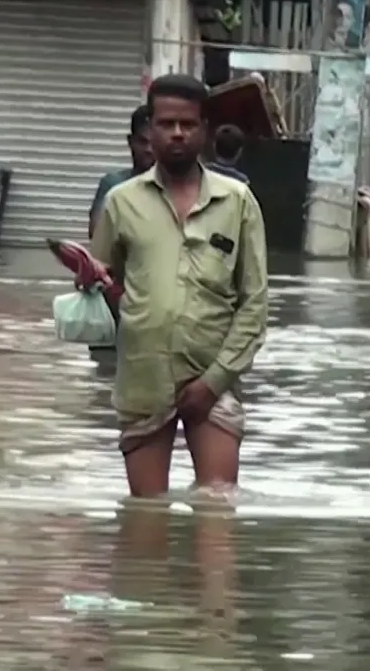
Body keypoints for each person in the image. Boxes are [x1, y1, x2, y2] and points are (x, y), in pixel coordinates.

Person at [88, 74, 269, 497]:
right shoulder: (121, 202)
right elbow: (104, 280)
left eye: (187, 124)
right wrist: (103, 293)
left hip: (214, 378)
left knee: (217, 509)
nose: (177, 133)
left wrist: (214, 380)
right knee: (146, 516)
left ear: (204, 130)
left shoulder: (237, 202)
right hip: (144, 379)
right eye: (166, 124)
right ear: (150, 130)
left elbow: (255, 304)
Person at [89, 105, 153, 238]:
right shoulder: (113, 183)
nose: (148, 149)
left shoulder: (174, 187)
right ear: (130, 141)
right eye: (143, 141)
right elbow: (96, 233)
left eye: (154, 143)